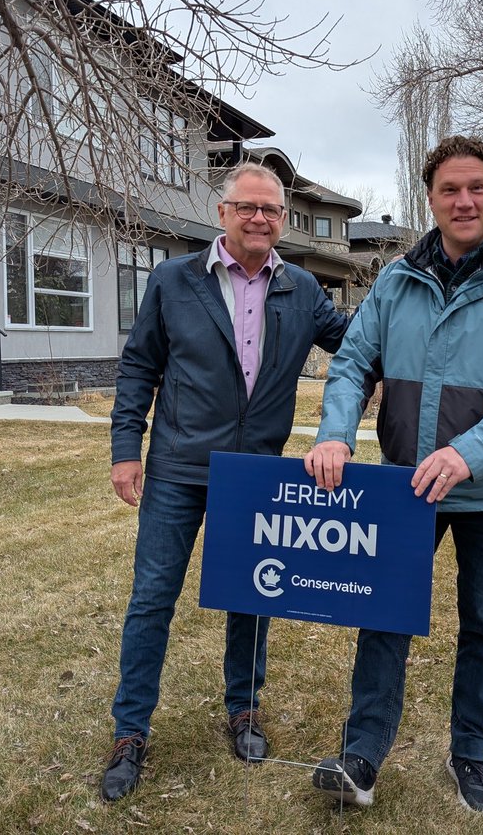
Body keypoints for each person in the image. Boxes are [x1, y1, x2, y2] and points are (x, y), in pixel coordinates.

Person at [303, 135, 483, 815]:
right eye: (450, 189)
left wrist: (469, 453)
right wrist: (335, 433)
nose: (464, 200)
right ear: (431, 198)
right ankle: (361, 756)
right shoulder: (394, 281)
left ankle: (471, 753)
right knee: (383, 618)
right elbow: (354, 363)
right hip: (404, 491)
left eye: (476, 187)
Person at [101, 162, 350, 801]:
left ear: (282, 219)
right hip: (179, 468)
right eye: (248, 207)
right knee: (153, 596)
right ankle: (131, 731)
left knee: (253, 596)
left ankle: (243, 708)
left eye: (271, 210)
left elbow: (357, 345)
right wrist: (126, 448)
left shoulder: (301, 290)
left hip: (256, 476)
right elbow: (138, 368)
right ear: (223, 213)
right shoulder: (174, 281)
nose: (260, 218)